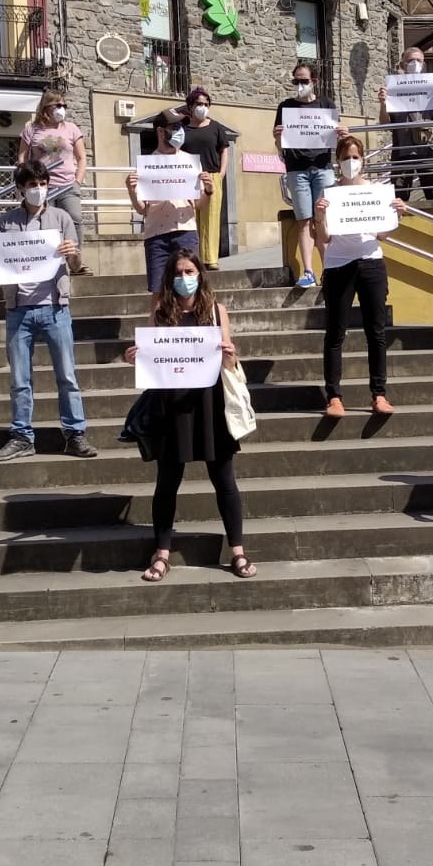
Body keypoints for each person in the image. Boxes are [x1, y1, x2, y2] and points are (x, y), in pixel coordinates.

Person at [122, 248, 255, 582]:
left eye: (189, 272)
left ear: (200, 275)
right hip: (171, 406)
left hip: (210, 403)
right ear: (170, 279)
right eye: (178, 273)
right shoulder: (160, 312)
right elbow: (153, 361)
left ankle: (237, 551)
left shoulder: (216, 311)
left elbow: (229, 359)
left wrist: (230, 355)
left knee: (224, 480)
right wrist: (134, 357)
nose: (184, 278)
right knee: (167, 482)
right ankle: (162, 553)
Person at [0, 160, 98, 461]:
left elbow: (75, 266)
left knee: (67, 376)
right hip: (19, 310)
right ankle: (22, 437)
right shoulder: (6, 221)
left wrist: (73, 256)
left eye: (43, 184)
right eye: (32, 185)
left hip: (56, 308)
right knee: (20, 380)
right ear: (21, 188)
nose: (39, 189)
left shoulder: (61, 218)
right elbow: (1, 263)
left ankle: (75, 434)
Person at [313, 135, 406, 417]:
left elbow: (381, 234)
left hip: (371, 263)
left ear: (363, 160)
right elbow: (325, 237)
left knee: (376, 332)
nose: (350, 162)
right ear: (337, 162)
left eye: (355, 157)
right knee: (335, 333)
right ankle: (334, 397)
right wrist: (318, 217)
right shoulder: (329, 194)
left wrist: (396, 217)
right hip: (338, 265)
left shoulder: (376, 191)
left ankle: (378, 394)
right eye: (345, 158)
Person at [273, 61, 341, 289]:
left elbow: (335, 139)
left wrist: (341, 132)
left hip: (322, 168)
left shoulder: (326, 104)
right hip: (297, 169)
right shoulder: (285, 107)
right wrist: (277, 137)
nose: (299, 85)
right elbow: (280, 146)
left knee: (324, 220)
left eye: (303, 80)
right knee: (304, 221)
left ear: (315, 81)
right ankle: (309, 272)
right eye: (296, 81)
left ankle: (329, 270)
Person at [126, 116, 205, 296]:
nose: (180, 132)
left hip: (186, 231)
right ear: (161, 132)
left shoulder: (190, 162)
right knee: (158, 292)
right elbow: (141, 209)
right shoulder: (147, 164)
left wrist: (208, 189)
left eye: (181, 127)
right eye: (175, 127)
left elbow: (199, 203)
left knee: (189, 292)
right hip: (156, 237)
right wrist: (131, 190)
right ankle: (159, 324)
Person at [17, 89, 91, 273]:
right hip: (42, 186)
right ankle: (42, 261)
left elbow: (82, 157)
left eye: (64, 106)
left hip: (67, 184)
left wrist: (78, 181)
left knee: (74, 219)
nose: (62, 109)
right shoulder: (31, 130)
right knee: (42, 222)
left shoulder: (71, 128)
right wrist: (26, 182)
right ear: (46, 108)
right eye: (58, 105)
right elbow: (22, 158)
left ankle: (76, 261)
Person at [376, 46, 433, 201]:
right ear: (402, 65)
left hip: (428, 149)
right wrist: (383, 104)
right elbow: (384, 124)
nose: (414, 63)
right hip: (402, 151)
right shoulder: (393, 89)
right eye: (410, 60)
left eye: (418, 60)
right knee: (400, 198)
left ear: (424, 64)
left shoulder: (432, 87)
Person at [178, 87, 231, 270]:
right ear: (191, 106)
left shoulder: (216, 127)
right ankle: (194, 258)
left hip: (211, 176)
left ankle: (210, 259)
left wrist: (222, 172)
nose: (203, 107)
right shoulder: (182, 129)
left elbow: (224, 149)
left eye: (206, 104)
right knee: (190, 217)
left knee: (211, 218)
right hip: (189, 178)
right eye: (199, 104)